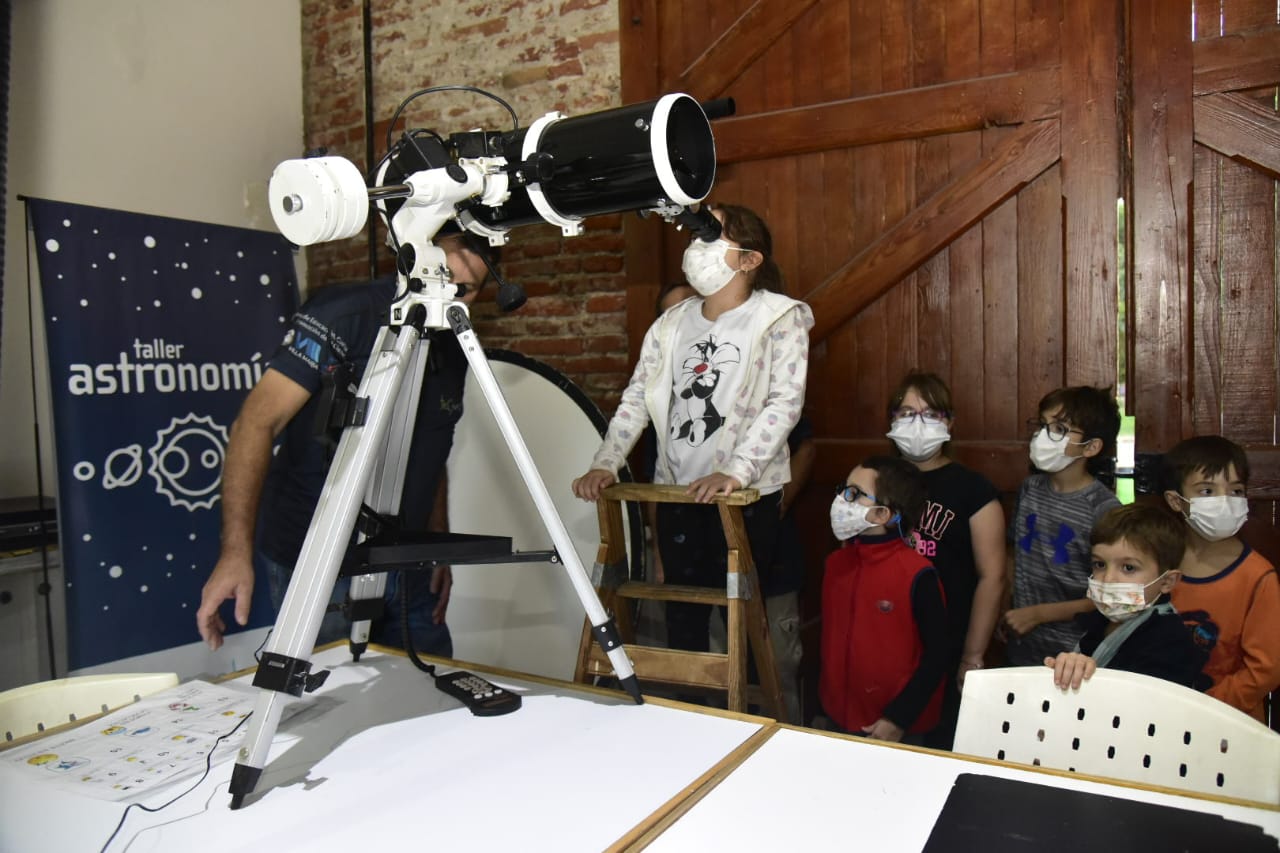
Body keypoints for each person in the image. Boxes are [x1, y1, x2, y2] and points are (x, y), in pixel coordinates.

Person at [195, 228, 495, 653]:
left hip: (408, 560)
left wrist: (437, 541)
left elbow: (430, 446)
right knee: (325, 687)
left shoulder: (454, 345)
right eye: (441, 275)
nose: (447, 293)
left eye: (465, 289)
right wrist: (234, 553)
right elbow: (255, 424)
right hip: (319, 559)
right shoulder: (343, 314)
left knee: (430, 683)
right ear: (414, 259)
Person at [572, 203, 813, 658]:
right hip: (678, 495)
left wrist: (737, 471)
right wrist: (606, 462)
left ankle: (746, 704)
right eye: (696, 236)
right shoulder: (670, 322)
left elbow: (784, 403)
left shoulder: (781, 317)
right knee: (683, 620)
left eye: (712, 236)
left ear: (749, 259)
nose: (697, 246)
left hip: (744, 501)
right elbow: (637, 398)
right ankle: (686, 701)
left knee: (742, 629)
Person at [886, 371, 1005, 749]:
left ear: (949, 423)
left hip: (947, 644)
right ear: (891, 421)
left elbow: (992, 576)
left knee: (939, 743)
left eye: (931, 414)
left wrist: (972, 655)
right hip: (887, 636)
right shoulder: (875, 480)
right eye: (907, 413)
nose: (917, 423)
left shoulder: (973, 490)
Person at [819, 456, 948, 741]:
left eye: (854, 494)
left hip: (895, 726)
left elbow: (937, 655)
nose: (841, 500)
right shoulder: (836, 563)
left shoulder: (917, 574)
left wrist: (898, 718)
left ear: (882, 514)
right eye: (843, 490)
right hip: (838, 716)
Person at [1162, 435, 1280, 720]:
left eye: (1236, 491)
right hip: (1158, 714)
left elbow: (1266, 669)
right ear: (1176, 501)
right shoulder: (1157, 563)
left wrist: (1205, 707)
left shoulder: (1258, 577)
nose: (1224, 501)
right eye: (1207, 490)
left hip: (1229, 724)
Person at [1004, 385, 1121, 666]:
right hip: (1022, 643)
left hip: (1075, 654)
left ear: (1091, 447)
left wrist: (1037, 614)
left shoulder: (1103, 509)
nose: (1043, 436)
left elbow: (1111, 595)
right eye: (1042, 425)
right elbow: (1013, 553)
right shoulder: (1030, 489)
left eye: (1059, 429)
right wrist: (1006, 607)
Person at [1045, 504, 1206, 690]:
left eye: (1128, 568)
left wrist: (1089, 676)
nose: (1108, 579)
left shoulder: (1171, 644)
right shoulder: (1100, 620)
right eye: (1100, 565)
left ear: (1167, 582)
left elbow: (1141, 701)